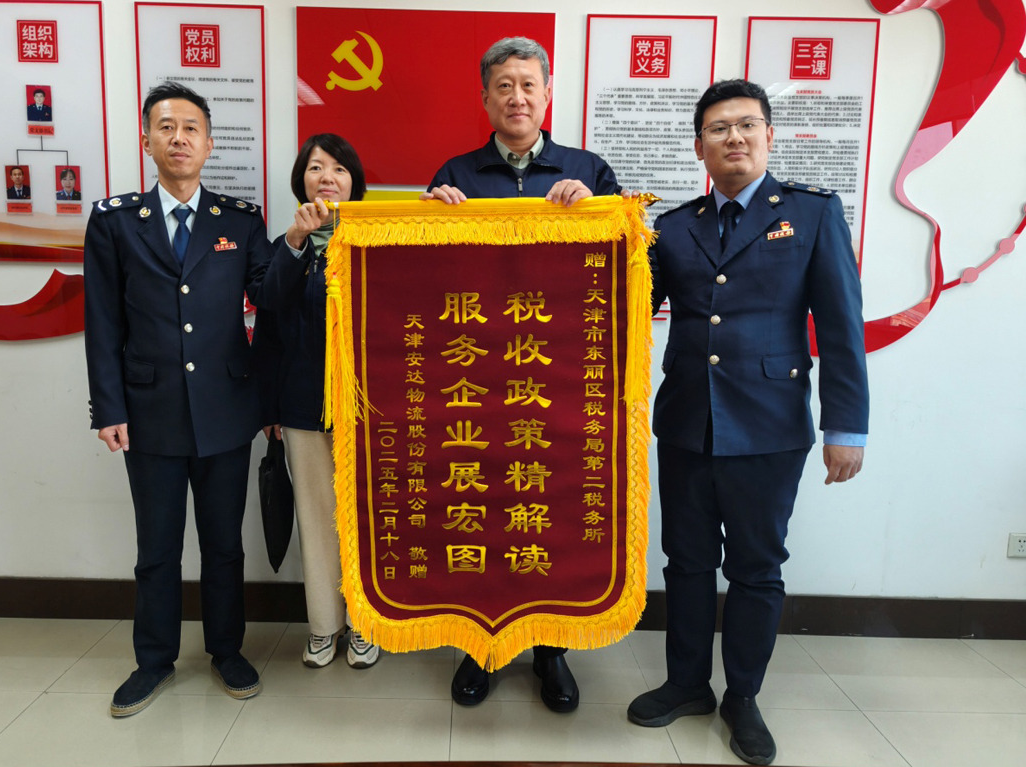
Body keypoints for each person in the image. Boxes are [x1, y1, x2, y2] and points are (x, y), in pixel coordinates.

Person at [627, 79, 869, 766]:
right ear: (699, 146)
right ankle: (686, 683)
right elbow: (626, 304)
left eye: (747, 125)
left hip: (770, 424)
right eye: (719, 128)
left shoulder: (812, 214)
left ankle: (742, 696)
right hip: (686, 422)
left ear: (768, 135)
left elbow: (841, 327)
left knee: (757, 568)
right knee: (687, 561)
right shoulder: (675, 226)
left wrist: (845, 428)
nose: (734, 137)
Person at [84, 81, 312, 717]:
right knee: (156, 548)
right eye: (166, 127)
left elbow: (269, 298)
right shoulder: (114, 221)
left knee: (223, 544)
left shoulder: (238, 220)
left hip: (226, 409)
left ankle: (227, 650)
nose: (178, 138)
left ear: (209, 144)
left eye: (190, 128)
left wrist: (294, 243)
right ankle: (153, 660)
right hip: (148, 411)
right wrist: (109, 408)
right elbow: (102, 321)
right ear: (147, 141)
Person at [422, 36, 621, 714]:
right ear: (485, 98)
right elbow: (418, 282)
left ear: (548, 94)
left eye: (528, 84)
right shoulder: (455, 173)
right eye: (503, 85)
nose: (517, 97)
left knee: (551, 517)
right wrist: (431, 223)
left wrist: (595, 214)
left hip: (557, 383)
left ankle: (550, 652)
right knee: (479, 516)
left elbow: (632, 272)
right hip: (474, 382)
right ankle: (480, 647)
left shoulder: (588, 171)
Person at [252, 134, 381, 671]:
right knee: (317, 517)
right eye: (316, 167)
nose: (327, 177)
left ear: (355, 183)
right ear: (301, 180)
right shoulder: (285, 244)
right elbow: (267, 314)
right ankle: (325, 626)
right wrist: (296, 240)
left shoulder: (378, 241)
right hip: (302, 406)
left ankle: (367, 623)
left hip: (368, 411)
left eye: (339, 169)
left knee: (367, 519)